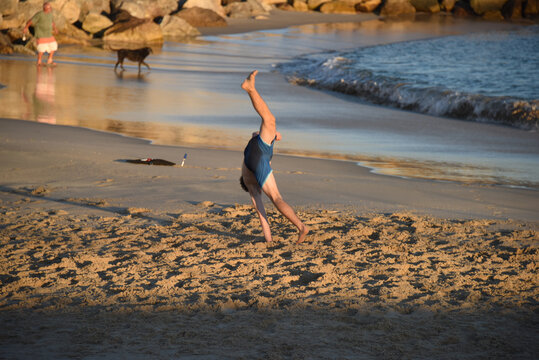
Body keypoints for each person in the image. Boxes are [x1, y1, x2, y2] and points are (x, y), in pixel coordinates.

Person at [240, 70, 309, 244]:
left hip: (259, 151)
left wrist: (269, 241)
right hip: (258, 151)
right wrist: (274, 136)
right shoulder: (250, 180)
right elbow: (256, 134)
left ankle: (250, 89)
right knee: (277, 199)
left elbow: (262, 216)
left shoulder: (251, 184)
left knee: (269, 120)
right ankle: (301, 227)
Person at [23, 2, 58, 66]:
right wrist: (26, 27)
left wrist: (55, 28)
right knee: (42, 48)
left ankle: (50, 60)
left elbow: (52, 22)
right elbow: (31, 21)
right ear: (45, 8)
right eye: (49, 7)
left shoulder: (50, 14)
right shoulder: (39, 14)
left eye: (50, 7)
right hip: (41, 34)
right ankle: (39, 61)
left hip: (49, 34)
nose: (51, 8)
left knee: (54, 46)